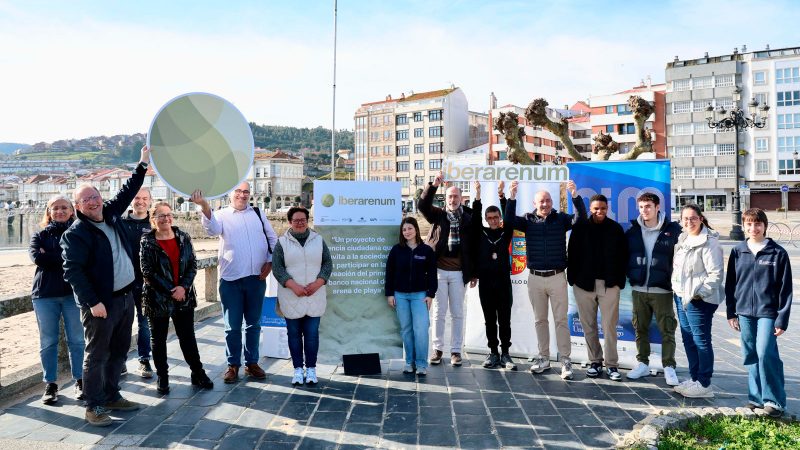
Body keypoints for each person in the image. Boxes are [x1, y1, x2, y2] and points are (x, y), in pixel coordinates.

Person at [61, 146, 150, 427]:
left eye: (95, 196)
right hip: (101, 304)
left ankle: (112, 394)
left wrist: (142, 164)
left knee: (121, 350)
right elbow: (72, 271)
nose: (92, 202)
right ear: (78, 206)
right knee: (97, 355)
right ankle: (94, 405)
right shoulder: (76, 233)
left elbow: (128, 190)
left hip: (125, 298)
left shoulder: (111, 214)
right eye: (85, 199)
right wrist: (92, 302)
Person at [192, 182, 277, 383]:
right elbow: (211, 230)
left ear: (250, 194)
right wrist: (204, 206)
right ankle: (232, 365)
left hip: (257, 278)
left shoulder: (258, 213)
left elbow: (272, 239)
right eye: (238, 191)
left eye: (246, 191)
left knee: (254, 324)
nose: (242, 195)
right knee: (232, 326)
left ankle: (252, 363)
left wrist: (271, 261)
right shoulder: (221, 215)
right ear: (230, 194)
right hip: (231, 279)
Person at [505, 180, 586, 380]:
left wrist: (575, 196)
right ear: (535, 203)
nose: (545, 204)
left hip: (557, 277)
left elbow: (581, 220)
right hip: (535, 279)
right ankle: (544, 358)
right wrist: (511, 198)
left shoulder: (560, 219)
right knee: (540, 320)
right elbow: (508, 221)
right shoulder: (527, 220)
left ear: (552, 202)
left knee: (560, 321)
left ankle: (566, 361)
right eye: (542, 201)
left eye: (548, 201)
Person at [140, 202, 213, 394]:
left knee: (188, 337)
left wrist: (184, 287)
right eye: (161, 215)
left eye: (168, 214)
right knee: (159, 340)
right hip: (157, 298)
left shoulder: (183, 237)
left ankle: (198, 372)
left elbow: (192, 264)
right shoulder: (147, 241)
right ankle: (163, 377)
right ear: (153, 219)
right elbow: (147, 272)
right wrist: (172, 290)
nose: (166, 218)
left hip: (184, 297)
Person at [726, 208, 793, 417]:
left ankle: (775, 401)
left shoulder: (778, 253)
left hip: (768, 312)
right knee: (750, 354)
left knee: (765, 353)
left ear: (764, 226)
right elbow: (730, 284)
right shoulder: (738, 251)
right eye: (749, 224)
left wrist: (782, 318)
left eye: (757, 224)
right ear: (744, 226)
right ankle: (755, 398)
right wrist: (731, 312)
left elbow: (786, 288)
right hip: (744, 311)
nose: (753, 228)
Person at [30, 194, 84, 404]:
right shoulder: (39, 235)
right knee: (48, 341)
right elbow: (38, 258)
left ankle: (80, 380)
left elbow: (79, 258)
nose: (60, 211)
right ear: (49, 212)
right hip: (44, 294)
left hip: (73, 293)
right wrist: (63, 256)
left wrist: (51, 256)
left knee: (77, 340)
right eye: (55, 208)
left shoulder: (79, 233)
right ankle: (51, 384)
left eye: (64, 207)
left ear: (72, 211)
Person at [418, 171, 476, 366]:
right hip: (439, 272)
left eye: (456, 196)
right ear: (446, 198)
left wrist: (474, 273)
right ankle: (437, 349)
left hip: (460, 273)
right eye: (450, 196)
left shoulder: (468, 217)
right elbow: (422, 205)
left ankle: (456, 351)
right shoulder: (438, 215)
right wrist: (433, 185)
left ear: (461, 198)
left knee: (458, 313)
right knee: (438, 312)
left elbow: (473, 247)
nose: (453, 199)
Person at [567, 194, 627, 381]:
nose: (599, 211)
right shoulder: (580, 228)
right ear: (590, 209)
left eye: (603, 208)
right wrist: (573, 280)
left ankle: (612, 365)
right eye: (595, 208)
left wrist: (619, 281)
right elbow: (572, 254)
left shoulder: (615, 229)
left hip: (609, 284)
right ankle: (595, 361)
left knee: (609, 326)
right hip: (584, 285)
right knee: (588, 325)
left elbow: (623, 255)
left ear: (607, 208)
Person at [625, 192, 681, 385]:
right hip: (639, 289)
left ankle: (669, 367)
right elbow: (624, 257)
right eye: (641, 207)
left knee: (667, 330)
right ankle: (642, 364)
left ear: (658, 207)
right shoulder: (632, 232)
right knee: (640, 328)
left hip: (663, 290)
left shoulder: (673, 230)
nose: (644, 210)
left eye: (648, 206)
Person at [272, 207, 332, 385]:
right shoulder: (282, 243)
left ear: (308, 220)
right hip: (291, 296)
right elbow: (277, 268)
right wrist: (293, 285)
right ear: (290, 222)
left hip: (315, 294)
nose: (300, 222)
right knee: (294, 334)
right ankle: (298, 369)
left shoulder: (318, 240)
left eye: (303, 219)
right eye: (296, 220)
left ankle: (311, 369)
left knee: (312, 335)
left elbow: (327, 263)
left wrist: (319, 282)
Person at [671, 204, 723, 398]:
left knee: (701, 341)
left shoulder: (710, 242)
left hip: (698, 299)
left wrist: (698, 294)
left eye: (693, 218)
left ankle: (704, 383)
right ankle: (695, 379)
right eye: (685, 218)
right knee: (688, 339)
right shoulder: (683, 238)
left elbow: (716, 274)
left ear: (701, 219)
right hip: (681, 296)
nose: (689, 222)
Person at [470, 181, 516, 370]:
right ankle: (493, 353)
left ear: (499, 217)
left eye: (496, 217)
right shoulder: (481, 233)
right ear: (487, 219)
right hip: (486, 283)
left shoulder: (506, 232)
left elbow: (510, 217)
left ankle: (505, 353)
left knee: (504, 319)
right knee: (490, 319)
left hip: (504, 282)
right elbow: (474, 219)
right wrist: (478, 195)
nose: (493, 220)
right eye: (490, 218)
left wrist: (505, 197)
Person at [385, 217, 437, 376]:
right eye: (404, 229)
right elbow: (389, 273)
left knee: (421, 330)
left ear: (416, 229)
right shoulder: (396, 250)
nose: (407, 232)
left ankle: (421, 364)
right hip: (400, 296)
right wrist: (389, 294)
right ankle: (409, 362)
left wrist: (430, 294)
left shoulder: (426, 250)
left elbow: (432, 274)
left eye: (410, 228)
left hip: (420, 295)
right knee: (406, 330)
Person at [120, 187, 153, 378]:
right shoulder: (121, 223)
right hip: (124, 282)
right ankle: (121, 361)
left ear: (150, 200)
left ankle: (144, 360)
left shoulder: (155, 223)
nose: (140, 201)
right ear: (132, 200)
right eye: (137, 197)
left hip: (147, 283)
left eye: (144, 198)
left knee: (145, 324)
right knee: (123, 324)